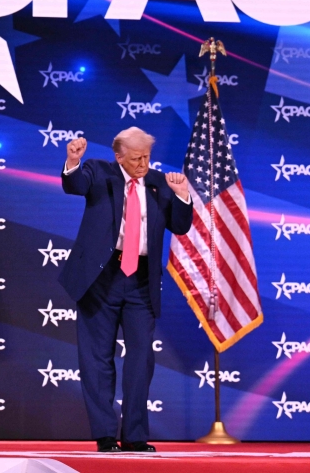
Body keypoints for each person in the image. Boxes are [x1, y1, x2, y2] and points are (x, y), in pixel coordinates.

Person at [60, 127, 192, 453]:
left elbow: (180, 226)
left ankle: (135, 435)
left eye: (146, 157)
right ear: (119, 156)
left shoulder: (159, 182)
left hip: (141, 282)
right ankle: (105, 435)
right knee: (97, 359)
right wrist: (73, 162)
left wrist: (182, 195)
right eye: (136, 159)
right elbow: (74, 185)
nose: (143, 164)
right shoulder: (97, 172)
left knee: (141, 359)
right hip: (99, 279)